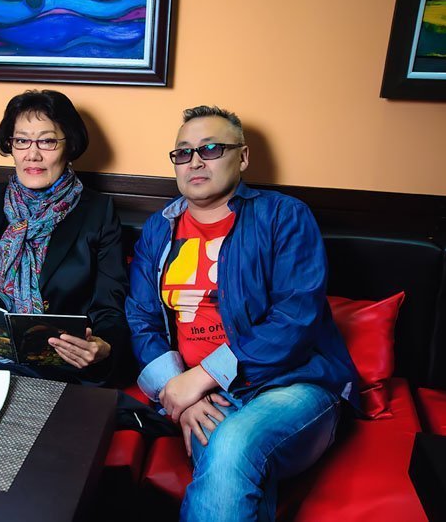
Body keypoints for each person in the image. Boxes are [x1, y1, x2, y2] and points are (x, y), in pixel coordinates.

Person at [125, 105, 360, 521]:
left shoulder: (284, 215)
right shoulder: (159, 228)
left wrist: (202, 376)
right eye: (183, 152)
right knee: (228, 455)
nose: (195, 161)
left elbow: (294, 320)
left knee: (232, 442)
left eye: (210, 149)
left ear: (243, 157)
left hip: (292, 384)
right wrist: (177, 392)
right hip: (202, 395)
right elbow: (142, 319)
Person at [0, 89, 129, 386]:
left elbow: (109, 306)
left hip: (57, 369)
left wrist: (102, 346)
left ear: (70, 145)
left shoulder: (98, 212)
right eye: (22, 140)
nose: (32, 154)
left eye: (47, 141)